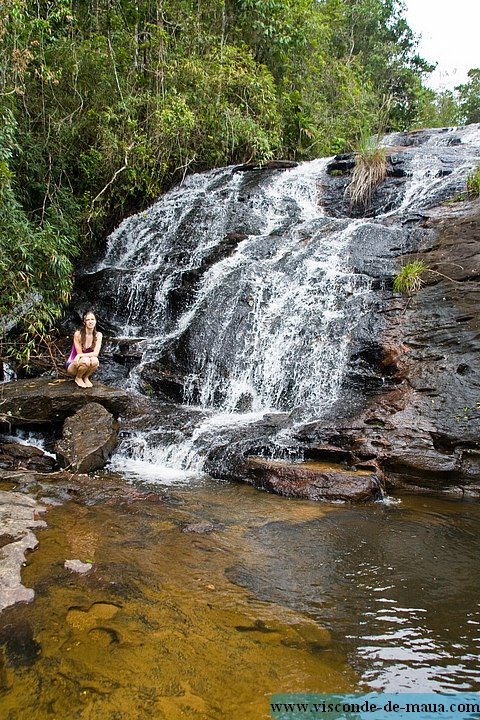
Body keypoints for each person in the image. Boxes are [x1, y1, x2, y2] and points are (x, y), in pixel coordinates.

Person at [66, 310, 103, 388]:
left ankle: (86, 377)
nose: (90, 322)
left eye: (92, 319)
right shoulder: (78, 334)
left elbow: (96, 354)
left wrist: (79, 355)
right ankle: (78, 377)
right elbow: (80, 354)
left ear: (96, 321)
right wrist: (79, 356)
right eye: (88, 320)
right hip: (74, 364)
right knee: (86, 360)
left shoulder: (98, 335)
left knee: (95, 361)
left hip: (86, 362)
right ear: (84, 322)